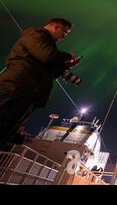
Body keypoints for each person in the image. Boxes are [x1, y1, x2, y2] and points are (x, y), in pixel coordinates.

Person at [0, 18, 81, 150]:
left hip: (26, 94)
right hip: (15, 89)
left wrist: (61, 66)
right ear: (55, 27)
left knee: (5, 132)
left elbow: (47, 68)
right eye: (64, 33)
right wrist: (68, 57)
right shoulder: (36, 34)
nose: (63, 37)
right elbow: (47, 55)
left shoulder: (45, 43)